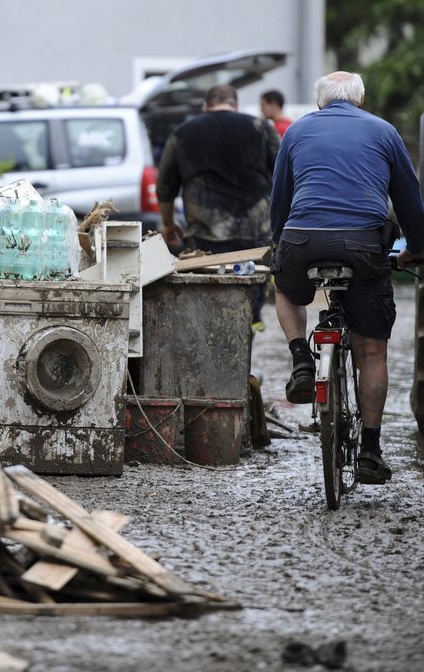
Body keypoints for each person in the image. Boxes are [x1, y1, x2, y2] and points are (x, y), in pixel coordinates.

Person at [270, 71, 424, 485]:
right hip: (364, 243)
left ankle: (302, 360)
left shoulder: (297, 131)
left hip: (301, 240)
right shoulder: (384, 130)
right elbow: (410, 201)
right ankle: (371, 451)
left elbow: (280, 200)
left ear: (320, 102)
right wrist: (415, 249)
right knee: (372, 352)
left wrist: (279, 246)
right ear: (360, 98)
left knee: (284, 287)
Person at [157, 83, 281, 326]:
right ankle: (248, 335)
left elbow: (165, 185)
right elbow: (283, 175)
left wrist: (169, 223)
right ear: (235, 105)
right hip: (255, 234)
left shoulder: (184, 132)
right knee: (251, 296)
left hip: (206, 236)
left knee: (208, 297)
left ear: (206, 105)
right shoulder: (262, 128)